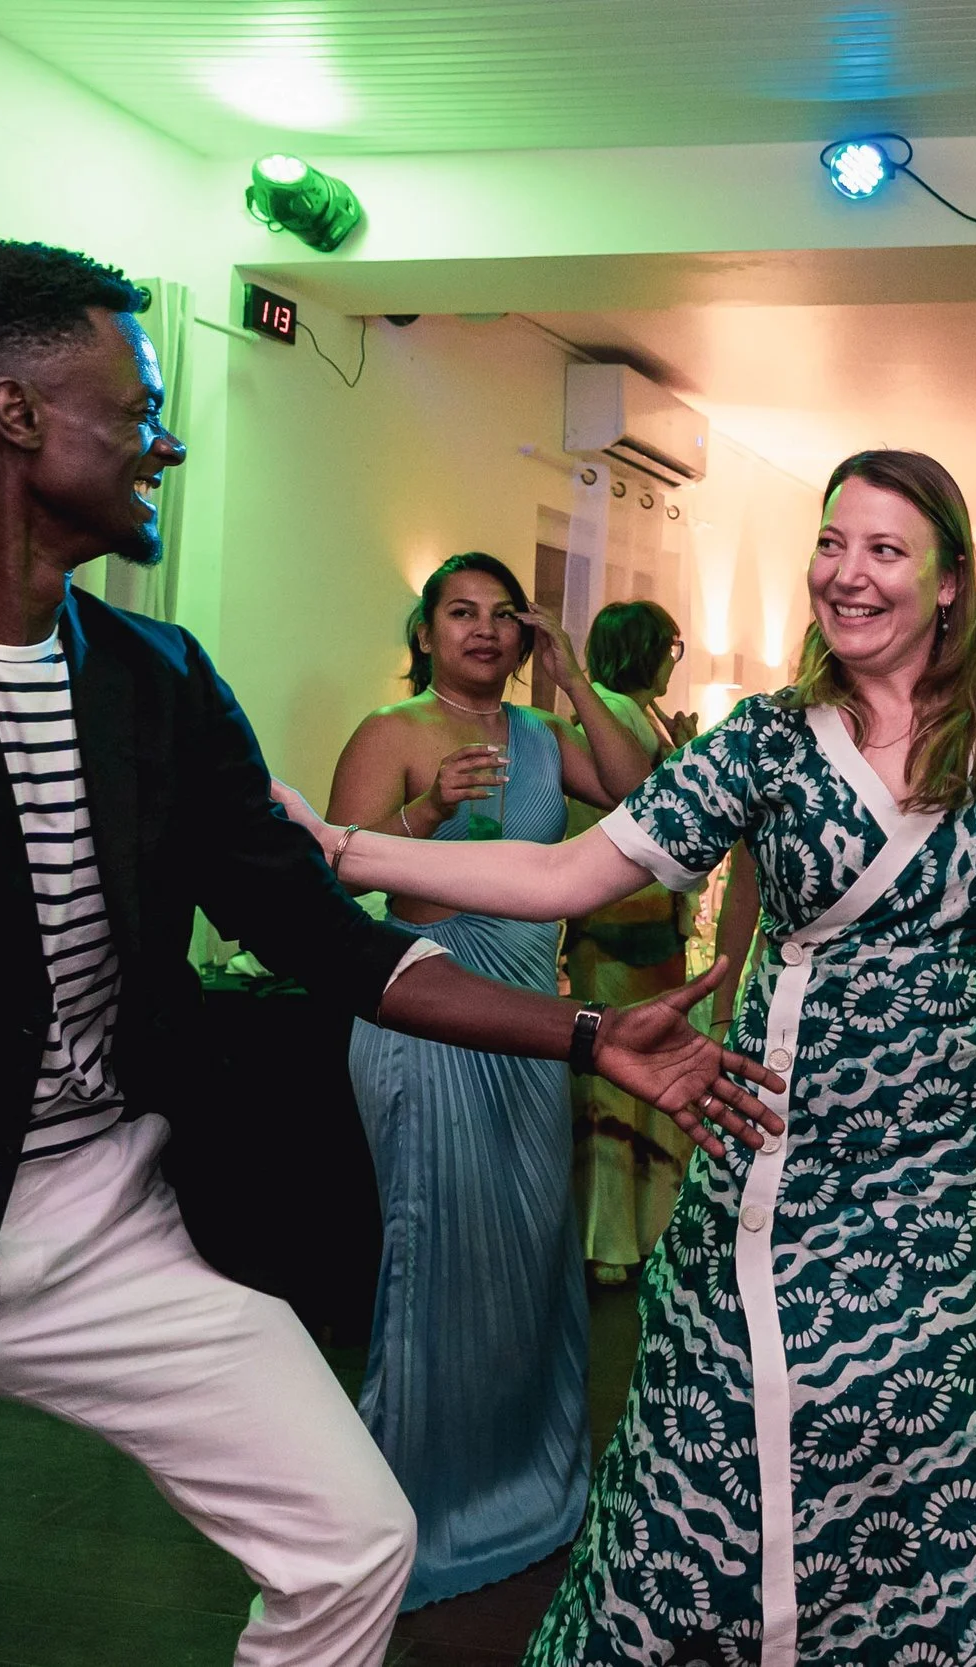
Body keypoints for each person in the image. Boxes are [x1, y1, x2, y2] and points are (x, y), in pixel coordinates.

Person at [0, 238, 777, 1667]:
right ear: (15, 416)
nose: (165, 441)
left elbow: (329, 939)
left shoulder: (160, 682)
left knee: (355, 1541)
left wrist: (586, 1034)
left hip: (105, 1225)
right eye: (138, 409)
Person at [286, 450, 976, 1666]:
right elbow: (571, 868)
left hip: (951, 1186)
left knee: (951, 1475)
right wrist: (345, 847)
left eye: (883, 549)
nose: (846, 572)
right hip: (745, 1141)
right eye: (832, 542)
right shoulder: (766, 738)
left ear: (948, 580)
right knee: (704, 1449)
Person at [324, 554, 656, 1608]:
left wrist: (574, 679)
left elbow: (644, 797)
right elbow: (333, 870)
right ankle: (414, 1511)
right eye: (459, 612)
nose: (482, 629)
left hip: (532, 1028)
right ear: (425, 632)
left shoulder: (544, 736)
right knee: (438, 1254)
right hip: (423, 1011)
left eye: (503, 615)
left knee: (530, 1254)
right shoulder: (391, 730)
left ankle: (524, 1487)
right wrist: (424, 813)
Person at [564, 599, 700, 1285]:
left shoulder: (640, 714)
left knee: (644, 1079)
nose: (674, 661)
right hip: (623, 927)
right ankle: (613, 1238)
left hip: (645, 927)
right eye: (670, 646)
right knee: (618, 1082)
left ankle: (636, 1232)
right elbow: (642, 812)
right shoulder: (612, 712)